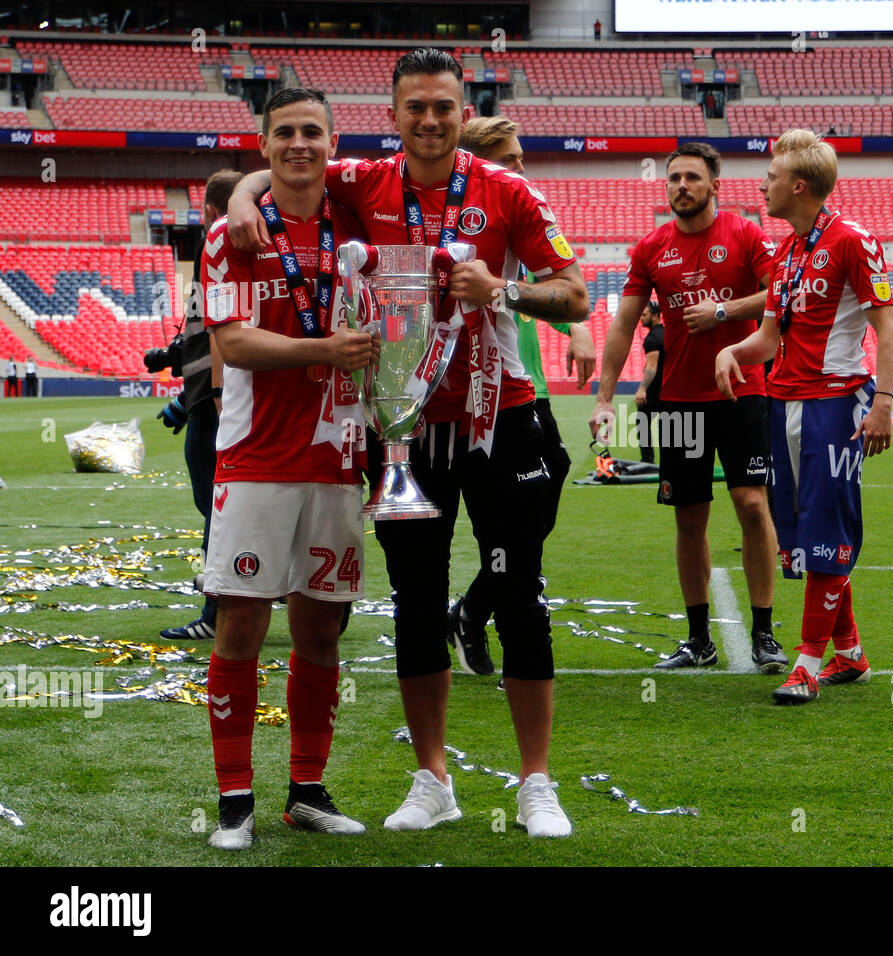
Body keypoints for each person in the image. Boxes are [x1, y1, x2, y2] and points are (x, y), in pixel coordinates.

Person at [225, 49, 589, 837]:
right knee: (417, 607)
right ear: (392, 116)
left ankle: (537, 783)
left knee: (519, 600)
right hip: (406, 432)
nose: (429, 120)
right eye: (414, 108)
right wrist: (250, 190)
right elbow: (289, 165)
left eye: (443, 108)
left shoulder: (508, 191)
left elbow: (576, 297)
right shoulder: (363, 184)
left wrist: (506, 289)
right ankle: (433, 779)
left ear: (463, 112)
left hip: (501, 420)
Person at [199, 88, 377, 850]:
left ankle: (305, 788)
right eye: (284, 134)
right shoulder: (230, 233)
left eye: (312, 132)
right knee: (242, 622)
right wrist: (321, 350)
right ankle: (233, 802)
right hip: (256, 459)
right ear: (264, 144)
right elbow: (234, 344)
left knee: (321, 632)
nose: (299, 144)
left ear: (331, 142)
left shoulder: (361, 223)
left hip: (337, 458)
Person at [716, 128, 893, 705]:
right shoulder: (788, 251)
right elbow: (770, 338)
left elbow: (886, 326)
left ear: (798, 186)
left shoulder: (853, 241)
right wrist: (732, 350)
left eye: (770, 177)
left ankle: (807, 662)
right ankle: (850, 652)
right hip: (784, 404)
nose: (762, 186)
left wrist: (885, 403)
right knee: (798, 535)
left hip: (836, 405)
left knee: (827, 531)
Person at [588, 141, 786, 674]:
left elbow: (780, 294)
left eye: (692, 178)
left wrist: (722, 310)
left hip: (743, 391)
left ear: (714, 185)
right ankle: (699, 639)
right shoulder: (651, 247)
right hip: (678, 402)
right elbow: (624, 325)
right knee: (689, 517)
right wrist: (606, 398)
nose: (681, 186)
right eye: (673, 178)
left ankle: (765, 634)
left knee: (751, 504)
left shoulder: (745, 233)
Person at [447, 115, 597, 676]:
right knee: (513, 522)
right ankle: (486, 611)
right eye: (510, 159)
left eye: (522, 158)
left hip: (521, 390)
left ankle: (474, 608)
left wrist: (577, 327)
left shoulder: (514, 213)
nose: (520, 168)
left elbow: (551, 292)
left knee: (545, 488)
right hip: (483, 400)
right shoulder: (468, 219)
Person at [158, 169, 243, 644]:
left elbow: (216, 338)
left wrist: (205, 402)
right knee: (227, 504)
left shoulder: (218, 248)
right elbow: (199, 336)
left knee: (217, 506)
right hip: (216, 400)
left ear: (209, 212)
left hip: (219, 405)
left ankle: (217, 609)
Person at [635, 300, 663, 464]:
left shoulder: (652, 338)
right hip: (669, 389)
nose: (641, 318)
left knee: (643, 421)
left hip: (655, 390)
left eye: (644, 315)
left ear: (655, 316)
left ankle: (647, 460)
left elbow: (652, 366)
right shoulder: (667, 334)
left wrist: (642, 389)